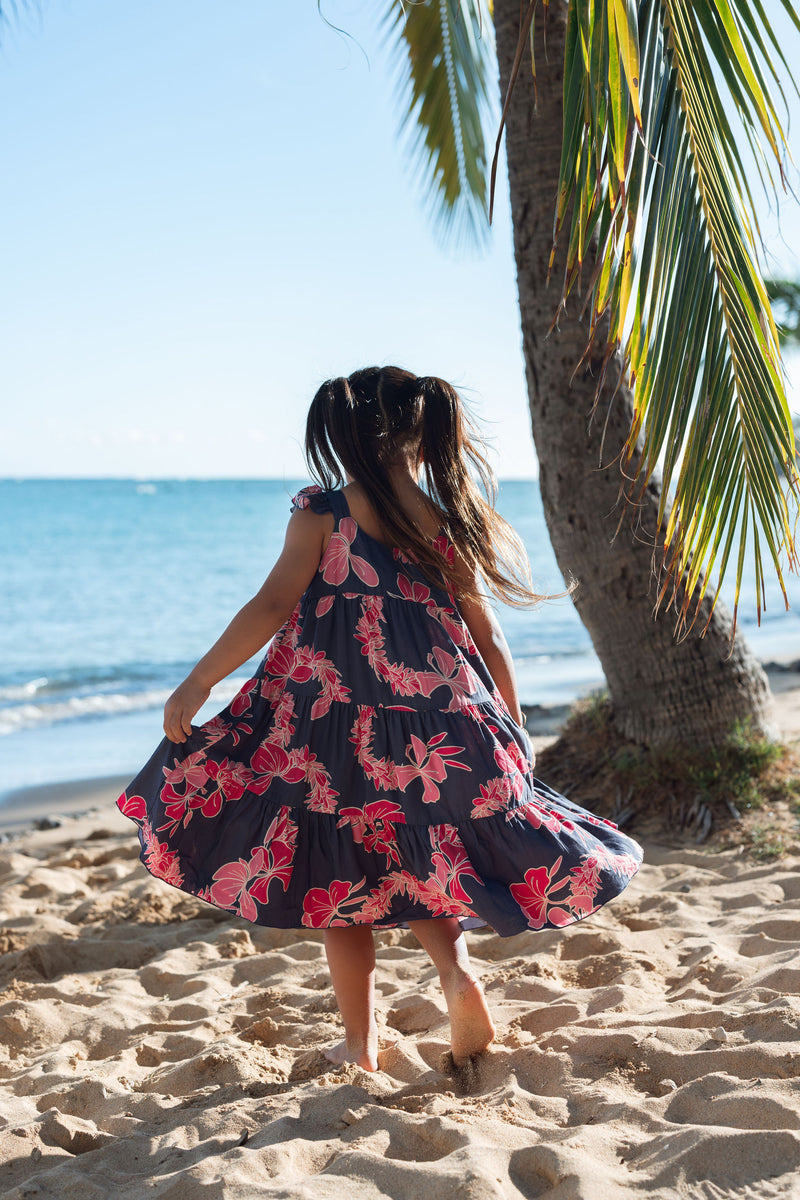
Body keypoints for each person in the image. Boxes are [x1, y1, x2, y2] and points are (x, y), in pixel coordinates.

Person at [118, 366, 643, 1073]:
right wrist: (509, 724)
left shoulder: (323, 514)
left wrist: (197, 683)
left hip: (332, 729)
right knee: (423, 861)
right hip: (440, 731)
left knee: (343, 884)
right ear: (420, 440)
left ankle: (360, 1045)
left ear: (347, 437)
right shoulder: (446, 516)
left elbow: (271, 608)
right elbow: (486, 633)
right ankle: (456, 979)